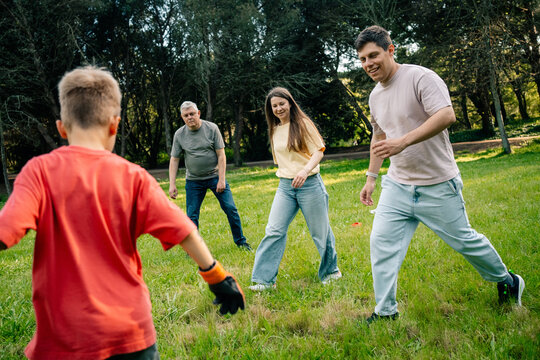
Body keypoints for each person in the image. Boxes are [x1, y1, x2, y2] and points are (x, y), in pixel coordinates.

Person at [0, 66, 245, 360]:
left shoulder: (37, 172)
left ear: (61, 128)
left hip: (64, 339)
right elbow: (184, 229)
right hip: (130, 333)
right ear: (115, 125)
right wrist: (217, 277)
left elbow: (7, 227)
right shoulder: (133, 177)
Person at [355, 25, 525, 324]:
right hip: (397, 185)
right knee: (381, 243)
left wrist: (404, 141)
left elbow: (446, 115)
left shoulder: (420, 77)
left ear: (390, 49)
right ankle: (386, 312)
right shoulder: (374, 97)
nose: (368, 64)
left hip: (436, 184)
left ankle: (508, 280)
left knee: (465, 241)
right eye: (362, 59)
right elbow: (379, 138)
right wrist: (371, 177)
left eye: (373, 55)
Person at [249, 87, 341, 291]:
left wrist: (305, 170)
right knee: (274, 230)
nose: (279, 108)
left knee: (320, 232)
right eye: (274, 106)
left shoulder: (303, 124)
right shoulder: (274, 129)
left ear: (290, 103)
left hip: (309, 184)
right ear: (270, 109)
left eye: (282, 103)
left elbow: (319, 151)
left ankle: (331, 271)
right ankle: (264, 281)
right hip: (285, 187)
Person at [169, 101, 251, 251]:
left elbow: (221, 155)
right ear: (182, 117)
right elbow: (174, 159)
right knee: (191, 215)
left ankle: (241, 242)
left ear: (198, 113)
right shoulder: (179, 134)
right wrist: (172, 184)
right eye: (186, 115)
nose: (190, 117)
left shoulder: (211, 128)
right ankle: (194, 249)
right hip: (193, 180)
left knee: (230, 208)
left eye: (192, 114)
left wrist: (221, 179)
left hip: (214, 177)